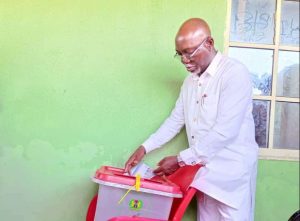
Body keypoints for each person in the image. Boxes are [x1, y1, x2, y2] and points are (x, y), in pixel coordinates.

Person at [124, 18, 258, 221]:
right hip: (204, 174)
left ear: (210, 43)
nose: (185, 60)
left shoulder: (234, 74)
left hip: (233, 177)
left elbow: (225, 131)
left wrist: (179, 160)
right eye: (180, 54)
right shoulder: (190, 82)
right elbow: (175, 120)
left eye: (190, 52)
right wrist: (145, 147)